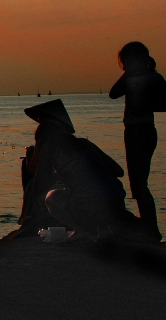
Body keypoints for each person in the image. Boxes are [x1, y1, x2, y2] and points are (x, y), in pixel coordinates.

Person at [20, 99, 130, 240]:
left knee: (52, 198)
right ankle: (104, 229)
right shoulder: (85, 143)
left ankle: (81, 231)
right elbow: (118, 171)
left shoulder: (51, 149)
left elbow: (38, 188)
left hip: (92, 206)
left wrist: (54, 172)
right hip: (117, 204)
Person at [109, 42, 166, 241]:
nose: (125, 65)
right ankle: (147, 227)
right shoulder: (130, 79)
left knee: (140, 181)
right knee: (136, 182)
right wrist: (127, 75)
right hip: (131, 130)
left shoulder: (154, 78)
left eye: (128, 61)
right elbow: (113, 93)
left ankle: (151, 229)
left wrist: (145, 105)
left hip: (144, 130)